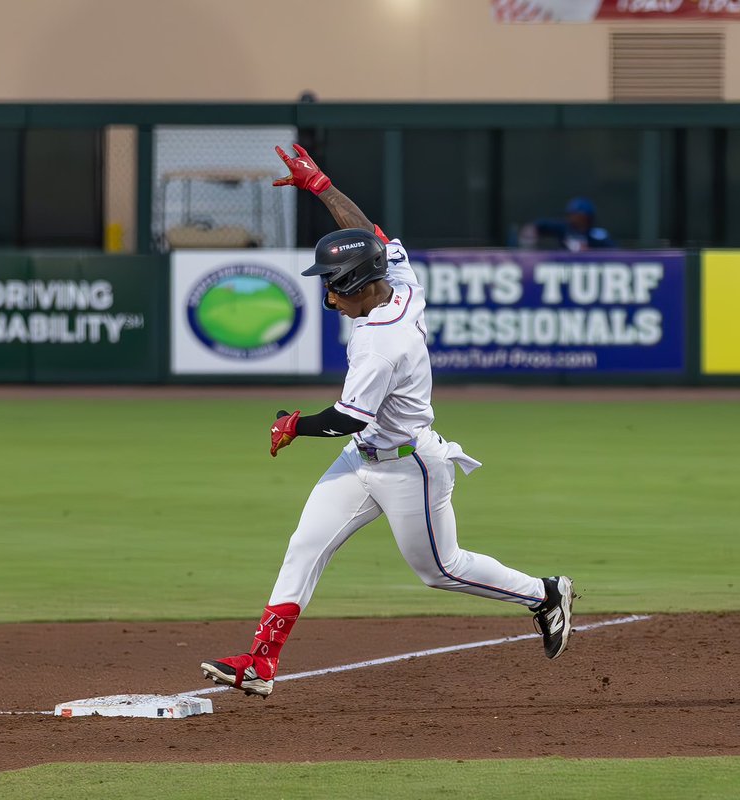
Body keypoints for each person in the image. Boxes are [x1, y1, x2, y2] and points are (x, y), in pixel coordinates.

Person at [200, 144, 576, 698]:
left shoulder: (381, 343)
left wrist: (292, 424)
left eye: (332, 284)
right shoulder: (399, 283)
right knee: (306, 545)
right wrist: (321, 184)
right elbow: (368, 235)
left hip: (409, 466)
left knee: (440, 570)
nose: (327, 296)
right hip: (364, 459)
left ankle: (544, 595)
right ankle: (260, 663)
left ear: (356, 284)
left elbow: (346, 420)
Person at [516, 197, 614, 252]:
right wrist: (529, 234)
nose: (572, 217)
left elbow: (614, 254)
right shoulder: (564, 227)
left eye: (576, 214)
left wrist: (589, 252)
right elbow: (536, 226)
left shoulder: (597, 234)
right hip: (564, 271)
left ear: (585, 217)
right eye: (571, 214)